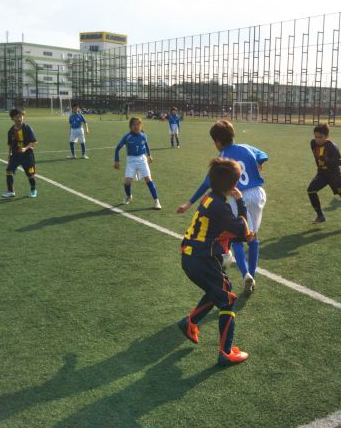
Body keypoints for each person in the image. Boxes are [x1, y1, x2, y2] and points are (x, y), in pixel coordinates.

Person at [177, 120, 267, 294]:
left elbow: (207, 183)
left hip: (237, 194)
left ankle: (246, 275)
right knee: (252, 236)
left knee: (237, 238)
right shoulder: (247, 147)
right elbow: (263, 154)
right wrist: (260, 162)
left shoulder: (222, 158)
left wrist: (190, 202)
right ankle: (252, 273)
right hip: (257, 194)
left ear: (217, 141)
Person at [178, 157, 253, 366]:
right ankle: (226, 352)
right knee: (227, 300)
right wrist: (240, 202)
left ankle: (190, 322)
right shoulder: (221, 207)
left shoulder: (209, 198)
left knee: (220, 290)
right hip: (202, 260)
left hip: (192, 257)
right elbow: (243, 230)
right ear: (234, 184)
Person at [114, 117, 161, 210]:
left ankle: (156, 201)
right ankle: (128, 196)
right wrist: (116, 160)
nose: (136, 126)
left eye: (138, 124)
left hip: (142, 159)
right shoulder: (127, 136)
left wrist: (149, 155)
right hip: (131, 160)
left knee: (148, 179)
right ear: (130, 126)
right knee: (127, 182)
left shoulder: (143, 135)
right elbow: (118, 148)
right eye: (134, 124)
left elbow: (146, 145)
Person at [2, 109, 38, 198]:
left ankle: (33, 190)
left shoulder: (27, 128)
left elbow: (33, 142)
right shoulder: (10, 131)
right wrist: (9, 154)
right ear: (12, 118)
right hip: (15, 155)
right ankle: (11, 191)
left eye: (21, 116)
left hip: (27, 155)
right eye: (17, 117)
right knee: (9, 171)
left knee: (30, 174)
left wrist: (25, 148)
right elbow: (10, 145)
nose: (19, 118)